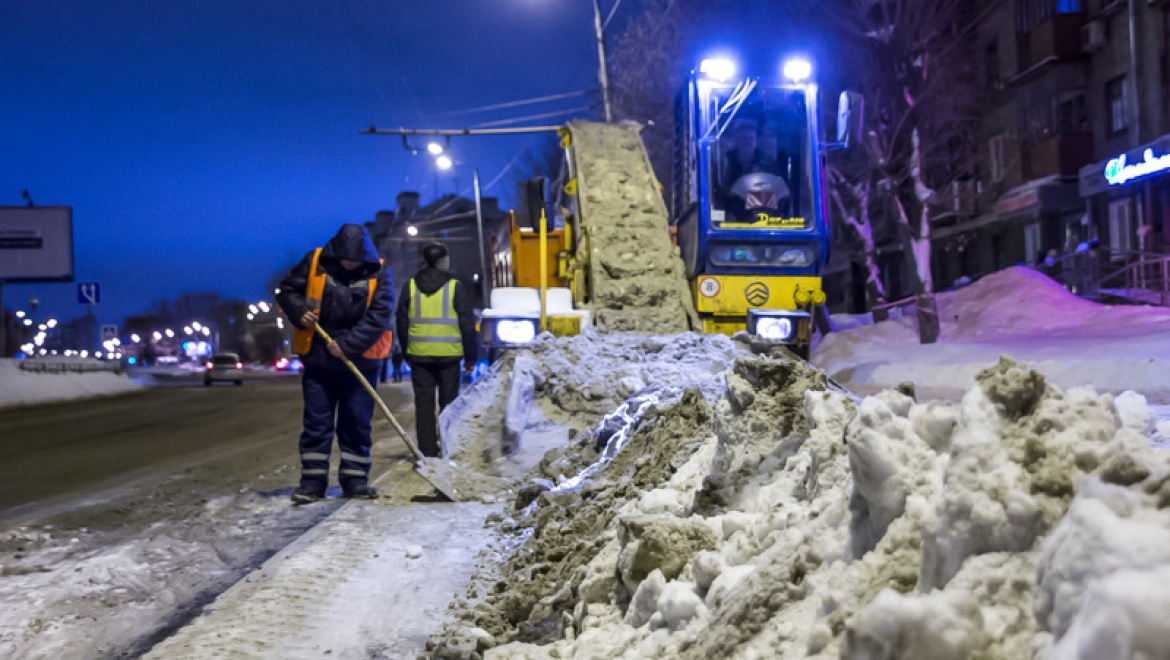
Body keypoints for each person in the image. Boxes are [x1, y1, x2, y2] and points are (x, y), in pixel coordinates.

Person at [277, 224, 393, 504]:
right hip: (319, 360)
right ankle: (312, 484)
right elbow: (287, 291)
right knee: (317, 423)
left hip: (360, 361)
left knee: (356, 422)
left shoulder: (378, 271)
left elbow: (379, 315)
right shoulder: (314, 262)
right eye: (345, 259)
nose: (350, 264)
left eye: (355, 261)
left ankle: (355, 482)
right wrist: (298, 311)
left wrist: (348, 345)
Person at [396, 242, 476, 458]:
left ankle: (427, 451)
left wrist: (406, 353)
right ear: (443, 261)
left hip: (420, 355)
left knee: (423, 405)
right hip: (449, 355)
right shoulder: (454, 287)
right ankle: (449, 447)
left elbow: (401, 324)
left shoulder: (410, 286)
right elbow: (467, 323)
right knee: (449, 404)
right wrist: (471, 357)